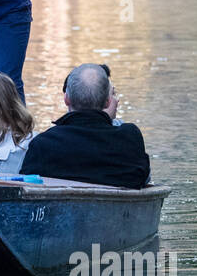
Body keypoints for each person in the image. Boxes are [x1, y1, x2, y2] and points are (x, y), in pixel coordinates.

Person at [20, 64, 150, 188]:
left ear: (66, 99)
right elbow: (143, 178)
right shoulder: (130, 138)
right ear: (107, 102)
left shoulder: (43, 144)